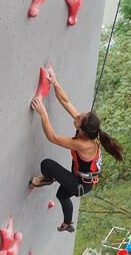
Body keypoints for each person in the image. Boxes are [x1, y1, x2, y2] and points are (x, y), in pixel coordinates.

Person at [29, 69, 123, 232]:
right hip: (82, 181)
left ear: (83, 130)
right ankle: (67, 224)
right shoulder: (90, 131)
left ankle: (48, 178)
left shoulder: (84, 144)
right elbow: (66, 102)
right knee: (62, 196)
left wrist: (43, 113)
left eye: (79, 118)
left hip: (79, 183)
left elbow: (53, 137)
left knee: (47, 164)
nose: (77, 116)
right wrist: (55, 82)